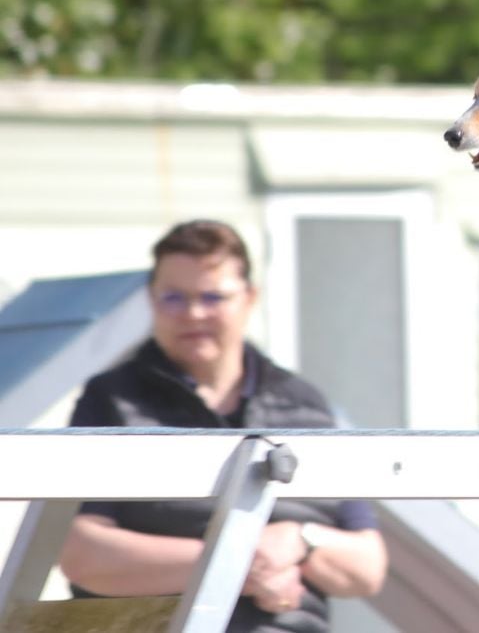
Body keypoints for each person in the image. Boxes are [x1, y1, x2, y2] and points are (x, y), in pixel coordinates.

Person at [59, 219, 388, 632]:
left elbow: (367, 566)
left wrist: (301, 538)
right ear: (151, 300)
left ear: (250, 298)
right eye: (174, 298)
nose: (193, 313)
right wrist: (242, 563)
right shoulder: (112, 400)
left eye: (212, 296)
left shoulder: (307, 405)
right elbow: (83, 555)